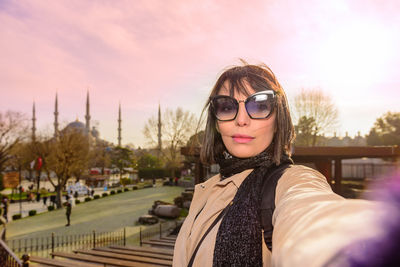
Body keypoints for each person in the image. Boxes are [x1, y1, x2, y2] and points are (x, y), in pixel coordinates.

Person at [173, 62, 395, 267]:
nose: (241, 119)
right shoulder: (206, 191)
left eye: (259, 106)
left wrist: (360, 247)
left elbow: (311, 212)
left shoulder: (291, 181)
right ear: (216, 122)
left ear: (278, 120)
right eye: (226, 107)